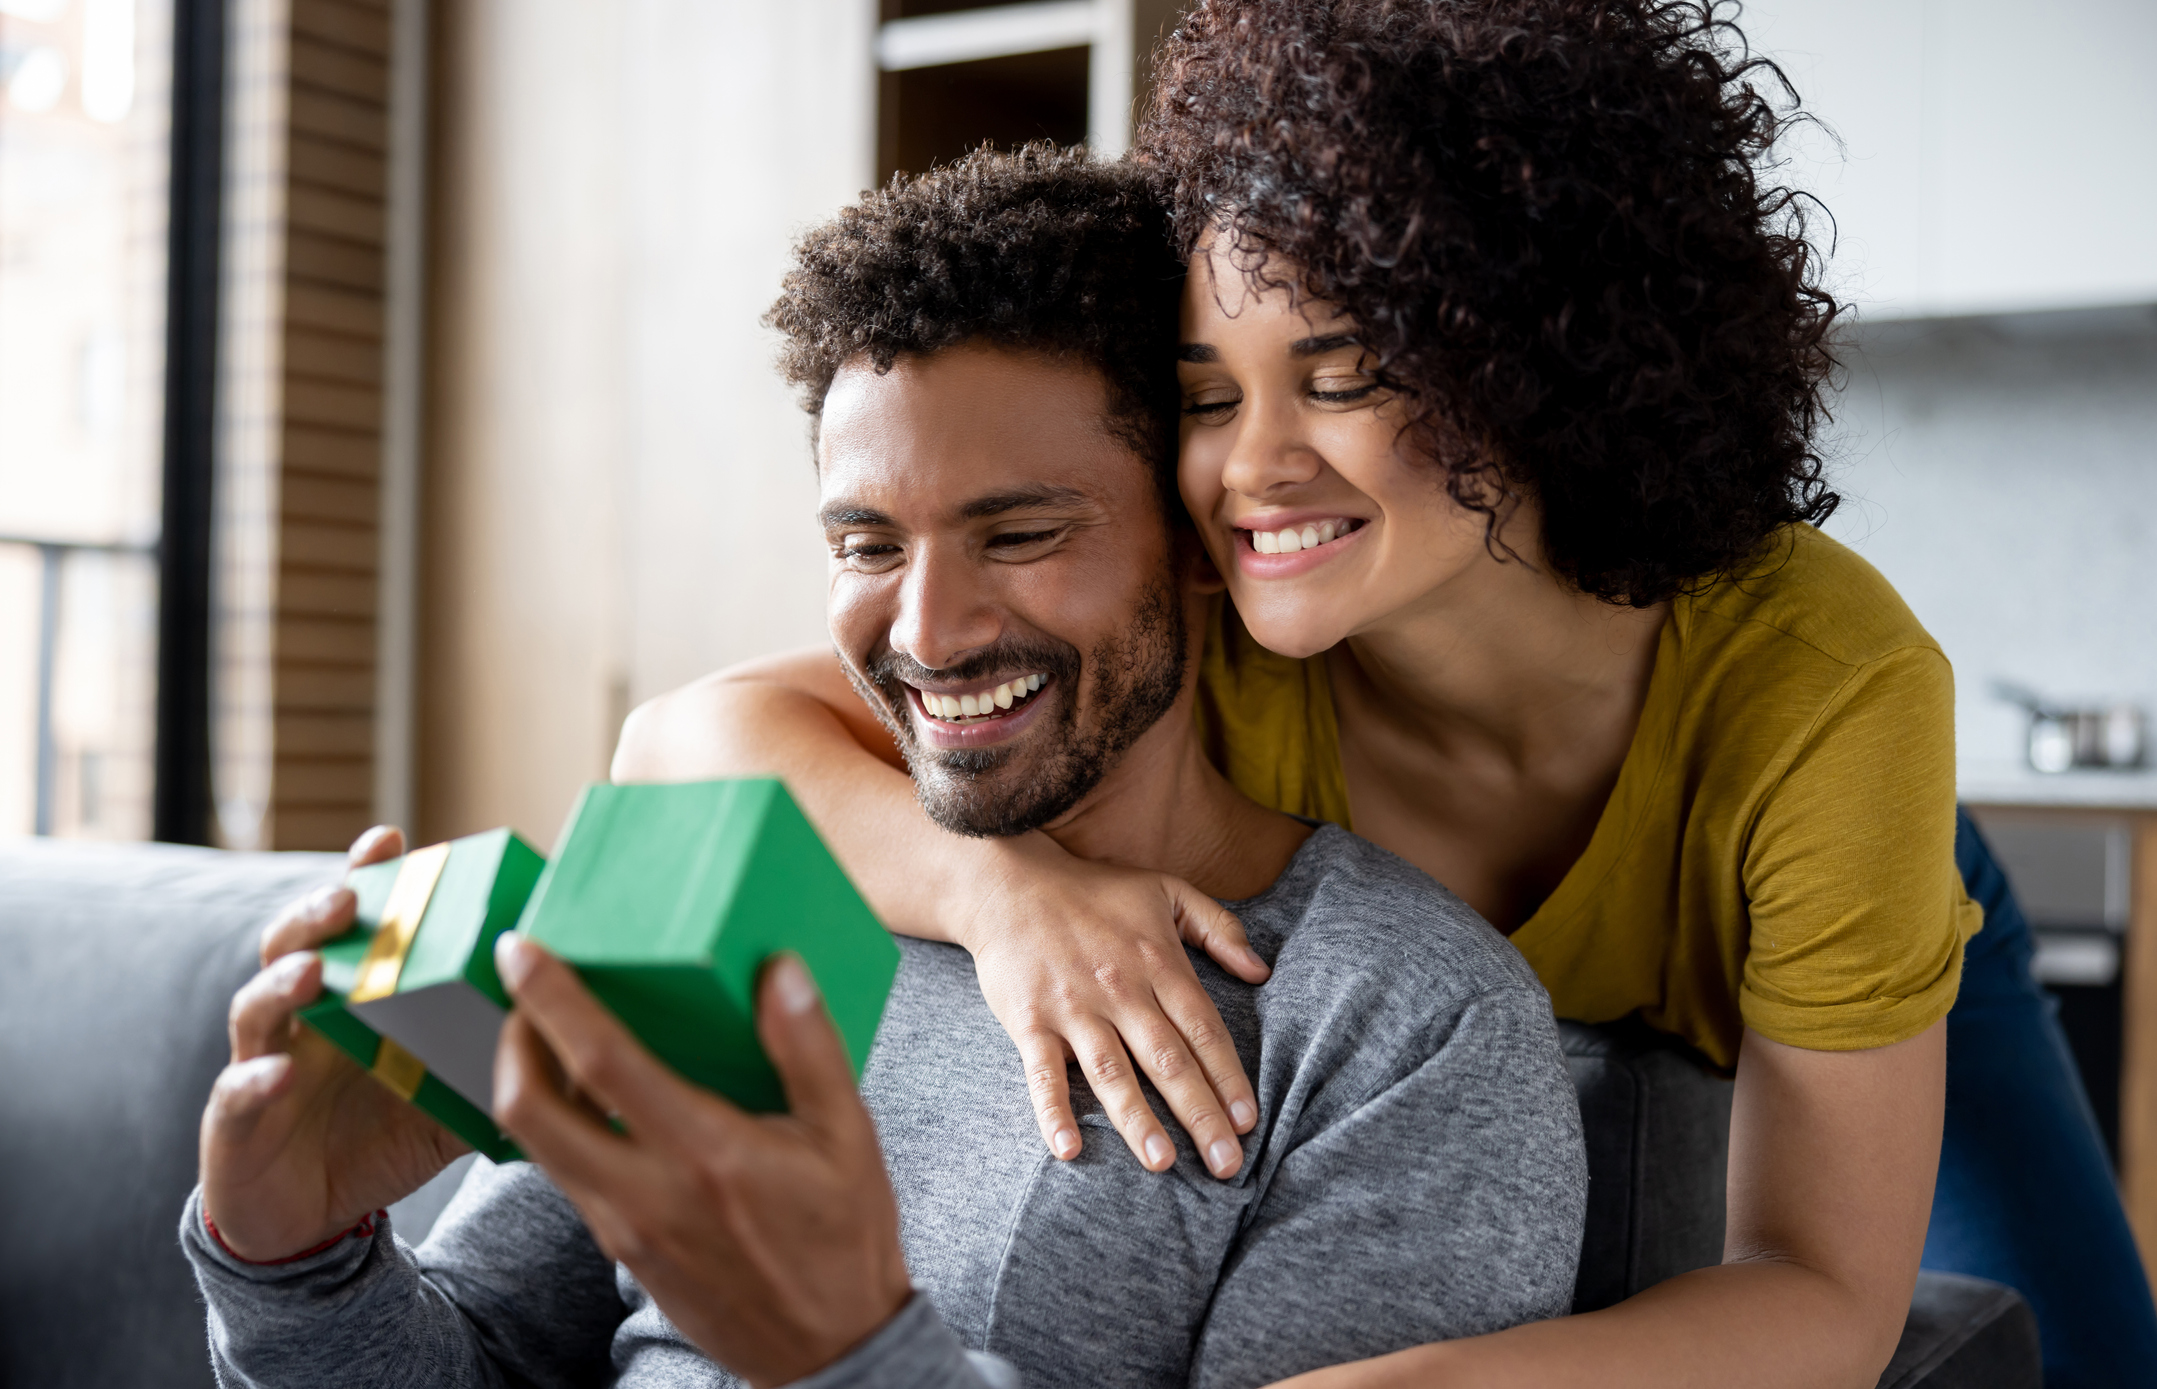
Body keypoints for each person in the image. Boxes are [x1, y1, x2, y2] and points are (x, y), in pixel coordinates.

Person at [658, 3, 2157, 1387]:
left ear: (1534, 356)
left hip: (1885, 880)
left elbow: (1822, 1293)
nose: (1248, 469)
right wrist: (997, 893)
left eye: (1343, 371)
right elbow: (679, 744)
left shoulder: (1824, 691)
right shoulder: (1230, 608)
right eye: (1205, 394)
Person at [184, 148, 1587, 1389]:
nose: (924, 632)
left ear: (1200, 543)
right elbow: (484, 1358)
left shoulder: (1400, 1026)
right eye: (865, 544)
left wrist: (848, 1350)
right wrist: (296, 1258)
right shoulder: (752, 888)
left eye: (1021, 531)